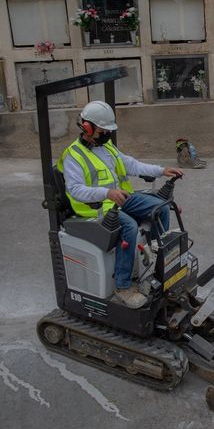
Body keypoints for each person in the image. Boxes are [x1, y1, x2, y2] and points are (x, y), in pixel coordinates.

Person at [58, 100, 184, 309]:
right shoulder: (73, 156)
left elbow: (131, 165)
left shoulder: (106, 146)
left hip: (119, 199)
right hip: (96, 208)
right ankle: (123, 286)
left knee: (160, 208)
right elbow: (76, 190)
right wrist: (107, 193)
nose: (107, 134)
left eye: (109, 130)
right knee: (129, 227)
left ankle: (155, 265)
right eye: (103, 130)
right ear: (87, 127)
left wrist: (161, 170)